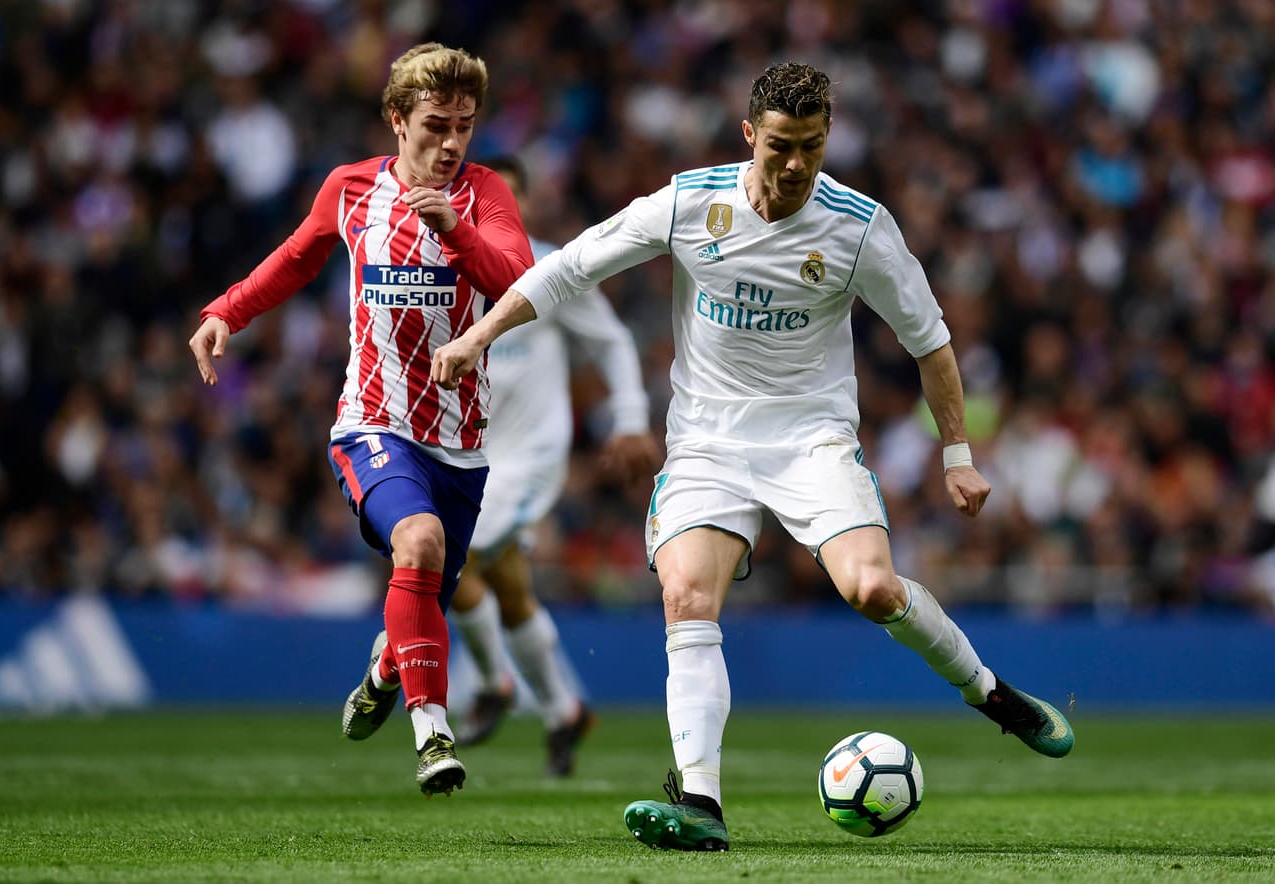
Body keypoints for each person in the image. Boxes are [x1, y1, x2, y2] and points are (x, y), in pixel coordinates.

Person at [430, 61, 1075, 849]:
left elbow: (930, 342)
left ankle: (991, 694)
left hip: (811, 439)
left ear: (828, 137)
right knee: (687, 602)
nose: (796, 165)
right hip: (706, 442)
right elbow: (569, 268)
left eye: (811, 146)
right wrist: (478, 335)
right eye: (780, 147)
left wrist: (957, 455)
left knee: (871, 589)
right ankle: (700, 804)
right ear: (750, 137)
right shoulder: (691, 202)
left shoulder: (858, 226)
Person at [188, 43, 534, 798]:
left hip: (462, 448)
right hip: (371, 426)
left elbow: (518, 281)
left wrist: (457, 232)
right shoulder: (350, 190)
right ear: (396, 119)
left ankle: (385, 668)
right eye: (435, 125)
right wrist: (225, 311)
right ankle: (433, 737)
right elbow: (296, 257)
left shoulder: (486, 195)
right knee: (419, 541)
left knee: (422, 591)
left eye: (465, 127)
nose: (451, 144)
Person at [445, 155, 660, 776]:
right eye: (486, 194)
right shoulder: (443, 263)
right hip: (466, 453)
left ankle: (493, 685)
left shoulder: (551, 267)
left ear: (527, 205)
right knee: (507, 587)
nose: (497, 207)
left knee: (451, 562)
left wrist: (627, 418)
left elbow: (613, 340)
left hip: (528, 457)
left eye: (511, 197)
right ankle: (565, 710)